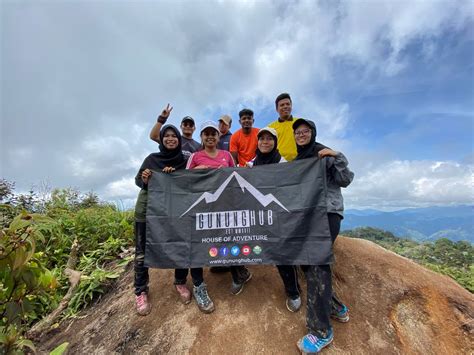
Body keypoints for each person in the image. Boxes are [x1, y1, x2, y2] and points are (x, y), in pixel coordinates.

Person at [292, 118, 354, 354]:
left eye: (305, 131)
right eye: (297, 132)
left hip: (328, 213)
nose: (301, 135)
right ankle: (335, 307)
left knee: (317, 262)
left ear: (313, 133)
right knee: (306, 263)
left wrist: (337, 155)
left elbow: (345, 180)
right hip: (307, 217)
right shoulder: (298, 161)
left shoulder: (323, 154)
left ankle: (321, 331)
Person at [186, 121, 253, 312]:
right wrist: (195, 172)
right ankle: (199, 287)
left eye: (213, 133)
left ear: (218, 136)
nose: (210, 137)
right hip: (202, 209)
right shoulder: (195, 157)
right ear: (201, 137)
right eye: (206, 134)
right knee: (197, 246)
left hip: (225, 207)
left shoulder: (226, 155)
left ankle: (240, 272)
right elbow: (183, 181)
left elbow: (236, 176)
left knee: (230, 239)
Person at [134, 124, 189, 315]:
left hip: (175, 211)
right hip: (147, 210)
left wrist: (174, 175)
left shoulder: (184, 161)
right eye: (167, 136)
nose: (171, 139)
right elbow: (138, 181)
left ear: (179, 140)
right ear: (162, 139)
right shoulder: (152, 159)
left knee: (182, 244)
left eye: (175, 136)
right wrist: (146, 178)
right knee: (142, 252)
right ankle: (140, 291)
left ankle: (180, 282)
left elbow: (190, 179)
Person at [246, 128, 302, 313]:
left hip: (278, 215)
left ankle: (293, 292)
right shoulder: (252, 164)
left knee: (282, 254)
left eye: (269, 139)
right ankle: (240, 276)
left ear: (275, 142)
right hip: (259, 216)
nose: (265, 142)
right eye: (261, 139)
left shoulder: (282, 162)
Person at [268, 93, 300, 162]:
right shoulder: (270, 127)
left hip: (299, 163)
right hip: (278, 164)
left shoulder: (300, 123)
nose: (285, 106)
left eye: (288, 104)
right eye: (282, 105)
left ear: (291, 106)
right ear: (277, 109)